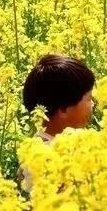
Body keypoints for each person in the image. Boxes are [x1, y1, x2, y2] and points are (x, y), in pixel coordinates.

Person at [19, 54, 95, 192]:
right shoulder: (41, 158)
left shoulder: (77, 137)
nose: (93, 104)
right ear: (64, 110)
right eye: (89, 99)